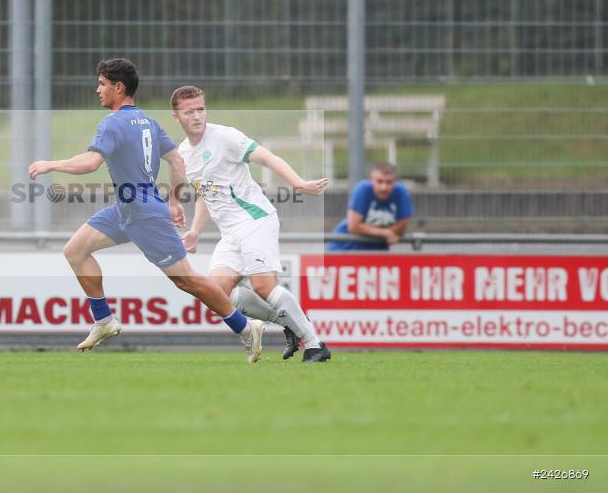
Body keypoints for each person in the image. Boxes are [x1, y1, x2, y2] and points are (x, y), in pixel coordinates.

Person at [29, 59, 264, 362]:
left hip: (143, 213)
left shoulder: (112, 123)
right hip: (126, 209)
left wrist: (52, 164)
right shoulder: (149, 123)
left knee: (186, 280)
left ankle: (246, 327)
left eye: (102, 83)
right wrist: (175, 200)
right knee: (75, 250)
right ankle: (104, 321)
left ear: (119, 87)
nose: (98, 89)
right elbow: (177, 161)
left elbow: (90, 163)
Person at [170, 85, 332, 363]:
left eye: (201, 109)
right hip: (230, 232)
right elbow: (205, 195)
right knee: (217, 291)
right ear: (176, 117)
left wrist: (298, 183)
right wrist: (195, 231)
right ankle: (292, 323)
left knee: (263, 286)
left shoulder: (225, 137)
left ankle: (315, 345)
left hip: (255, 220)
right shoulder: (184, 153)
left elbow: (267, 157)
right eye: (189, 111)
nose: (197, 116)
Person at [327, 162, 414, 251]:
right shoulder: (363, 189)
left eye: (389, 182)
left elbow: (402, 227)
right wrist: (385, 233)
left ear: (395, 182)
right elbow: (353, 226)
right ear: (372, 180)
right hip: (345, 247)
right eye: (379, 181)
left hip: (376, 249)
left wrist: (377, 232)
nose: (384, 187)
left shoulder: (401, 192)